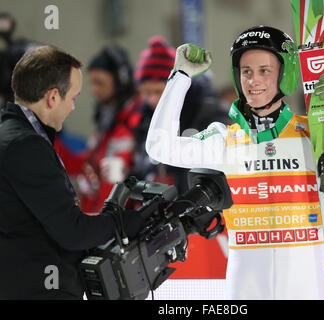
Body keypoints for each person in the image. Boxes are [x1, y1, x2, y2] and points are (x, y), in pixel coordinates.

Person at [145, 26, 324, 299]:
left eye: (264, 70)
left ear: (285, 75)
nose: (253, 80)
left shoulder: (312, 134)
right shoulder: (225, 139)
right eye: (246, 71)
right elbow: (159, 148)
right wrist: (180, 77)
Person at [0, 45, 146, 299]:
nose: (73, 107)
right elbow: (71, 231)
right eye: (73, 98)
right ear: (53, 97)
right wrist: (123, 222)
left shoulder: (13, 136)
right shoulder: (25, 145)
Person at [133, 36, 229, 194]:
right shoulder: (144, 117)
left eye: (158, 91)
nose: (152, 99)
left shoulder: (211, 113)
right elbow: (142, 165)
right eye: (146, 92)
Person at [56, 44, 143, 212]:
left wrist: (131, 173)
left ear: (120, 80)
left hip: (128, 219)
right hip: (102, 215)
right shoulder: (108, 119)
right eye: (92, 83)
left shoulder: (139, 118)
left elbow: (154, 170)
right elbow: (85, 162)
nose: (94, 90)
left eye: (100, 83)